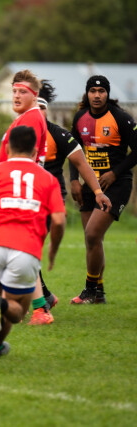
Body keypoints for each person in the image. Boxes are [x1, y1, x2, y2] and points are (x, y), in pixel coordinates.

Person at [0, 125, 66, 369]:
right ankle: (3, 306)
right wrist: (53, 249)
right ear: (35, 151)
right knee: (16, 311)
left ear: (7, 148)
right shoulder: (48, 179)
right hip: (25, 250)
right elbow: (59, 221)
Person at [26, 81, 112, 324]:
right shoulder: (19, 134)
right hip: (23, 198)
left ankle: (39, 304)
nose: (38, 113)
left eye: (42, 108)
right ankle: (43, 297)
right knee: (24, 249)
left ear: (46, 110)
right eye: (34, 108)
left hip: (47, 200)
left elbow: (82, 163)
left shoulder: (58, 134)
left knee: (28, 248)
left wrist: (97, 191)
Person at [69, 75, 137, 304]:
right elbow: (74, 152)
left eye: (101, 91)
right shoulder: (80, 117)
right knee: (92, 240)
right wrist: (74, 180)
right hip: (90, 185)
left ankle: (89, 290)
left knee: (92, 234)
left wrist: (115, 173)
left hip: (116, 185)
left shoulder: (120, 118)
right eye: (93, 91)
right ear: (87, 93)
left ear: (107, 94)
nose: (97, 95)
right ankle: (99, 293)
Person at [0, 69, 47, 165]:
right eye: (14, 91)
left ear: (35, 95)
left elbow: (27, 160)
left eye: (23, 92)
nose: (16, 96)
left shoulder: (31, 118)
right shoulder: (26, 116)